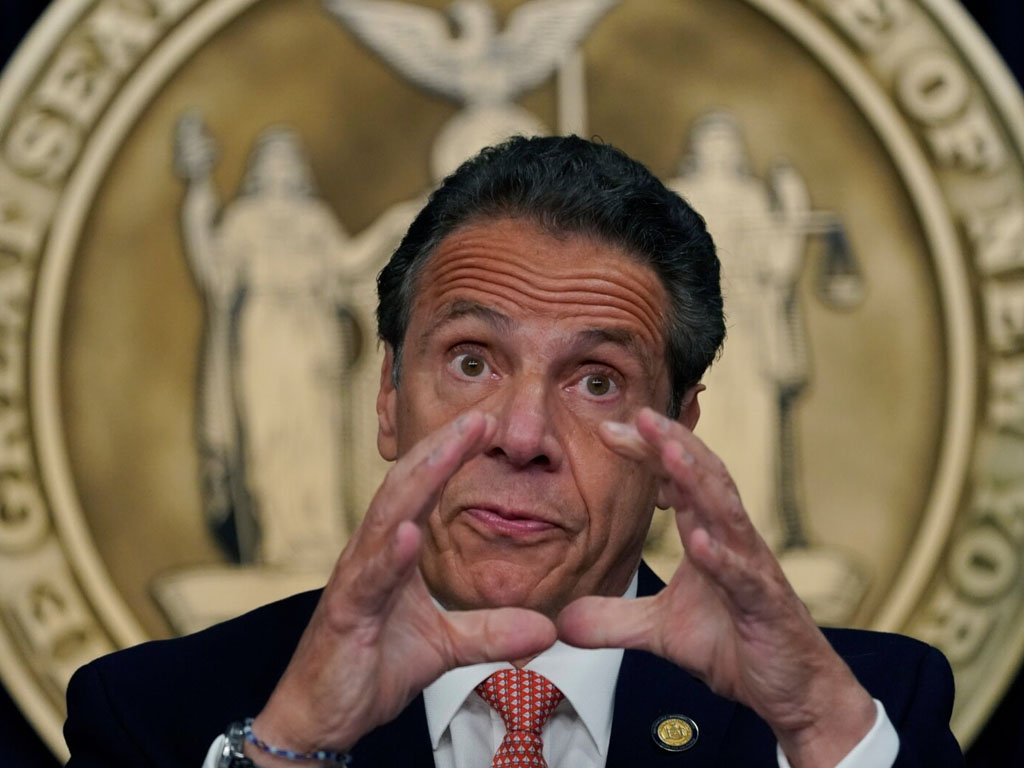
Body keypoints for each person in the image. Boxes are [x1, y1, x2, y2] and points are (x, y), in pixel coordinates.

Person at [64, 136, 963, 768]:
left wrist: (814, 725)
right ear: (388, 399)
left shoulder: (861, 712)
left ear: (677, 439)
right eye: (471, 362)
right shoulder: (157, 716)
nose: (523, 437)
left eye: (598, 380)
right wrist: (294, 745)